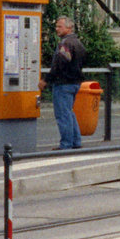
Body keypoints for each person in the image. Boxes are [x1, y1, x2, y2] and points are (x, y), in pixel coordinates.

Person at [39, 16, 86, 149]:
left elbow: (59, 65)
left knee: (63, 115)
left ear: (69, 28)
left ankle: (66, 144)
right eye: (57, 26)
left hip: (63, 83)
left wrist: (46, 80)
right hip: (75, 83)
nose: (57, 29)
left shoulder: (65, 44)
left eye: (60, 26)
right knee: (69, 112)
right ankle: (76, 142)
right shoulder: (78, 43)